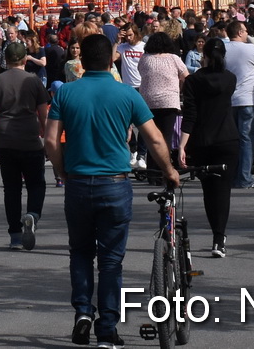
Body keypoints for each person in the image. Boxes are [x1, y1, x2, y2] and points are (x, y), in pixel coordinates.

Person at [48, 33, 179, 348]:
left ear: (81, 61)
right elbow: (156, 139)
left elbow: (51, 140)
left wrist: (60, 169)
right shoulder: (127, 96)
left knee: (80, 252)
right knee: (110, 260)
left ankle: (82, 312)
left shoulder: (65, 94)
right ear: (111, 60)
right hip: (115, 184)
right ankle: (107, 328)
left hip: (78, 183)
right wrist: (168, 171)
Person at [0, 40, 48, 250]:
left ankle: (15, 235)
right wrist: (44, 133)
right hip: (29, 137)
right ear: (25, 59)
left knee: (11, 189)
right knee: (36, 183)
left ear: (6, 59)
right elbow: (43, 111)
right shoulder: (34, 80)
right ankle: (33, 215)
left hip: (4, 139)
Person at [179, 37, 240, 256]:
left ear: (202, 56)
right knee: (223, 191)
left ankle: (216, 232)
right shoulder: (231, 79)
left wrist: (182, 145)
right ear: (224, 56)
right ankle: (219, 238)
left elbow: (190, 115)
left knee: (209, 191)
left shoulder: (194, 81)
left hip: (202, 140)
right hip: (228, 138)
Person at [222, 21, 254, 189]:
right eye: (245, 30)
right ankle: (244, 177)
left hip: (227, 100)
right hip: (247, 99)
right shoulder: (251, 49)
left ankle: (231, 175)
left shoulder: (222, 49)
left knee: (229, 140)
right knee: (246, 139)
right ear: (240, 32)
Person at [136, 33, 187, 168]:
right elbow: (186, 77)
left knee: (152, 138)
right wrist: (179, 88)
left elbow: (141, 72)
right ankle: (165, 169)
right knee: (166, 138)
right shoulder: (174, 58)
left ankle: (152, 171)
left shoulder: (145, 59)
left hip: (148, 102)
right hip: (169, 101)